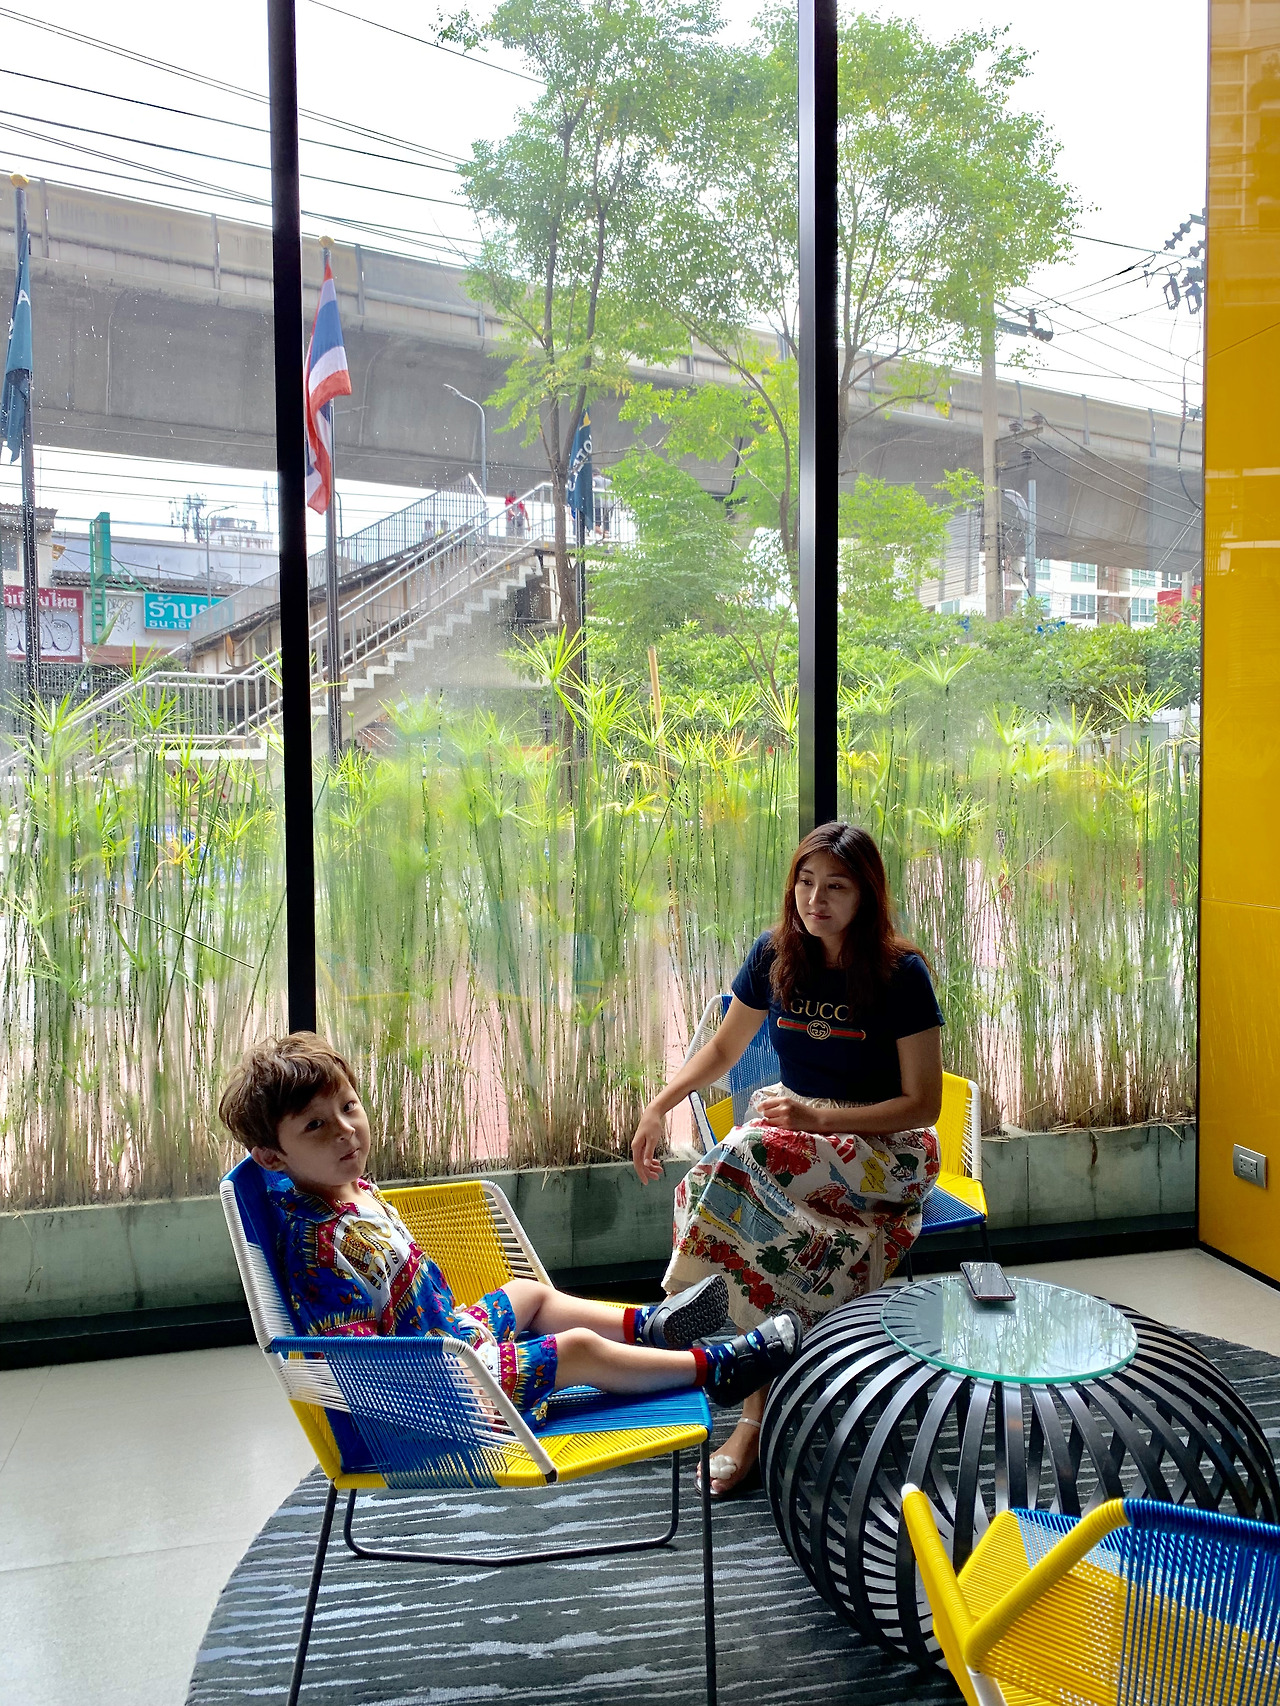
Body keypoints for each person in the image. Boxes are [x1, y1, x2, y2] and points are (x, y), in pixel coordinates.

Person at [219, 1032, 804, 1423]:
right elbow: (353, 1365)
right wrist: (452, 1366)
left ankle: (648, 1327)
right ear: (272, 1157)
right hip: (439, 1394)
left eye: (349, 1107)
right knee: (573, 1351)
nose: (346, 1131)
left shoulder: (347, 1189)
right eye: (315, 1127)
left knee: (527, 1294)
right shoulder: (317, 1249)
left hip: (449, 1341)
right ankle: (717, 1368)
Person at [632, 822, 943, 1498]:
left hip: (887, 1151)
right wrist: (659, 1105)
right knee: (713, 1193)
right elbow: (723, 1050)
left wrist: (818, 1118)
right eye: (805, 881)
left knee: (737, 1163)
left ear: (867, 895)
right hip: (798, 1139)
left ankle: (700, 1357)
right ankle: (745, 1364)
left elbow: (923, 1104)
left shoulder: (901, 974)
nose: (815, 899)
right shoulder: (774, 955)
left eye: (835, 886)